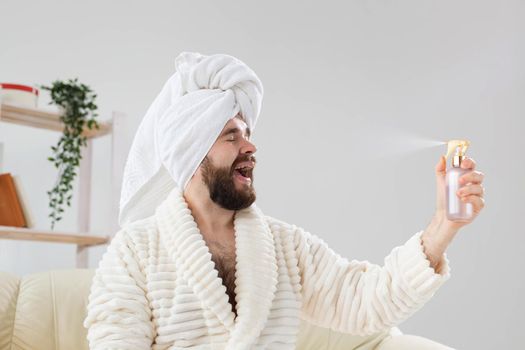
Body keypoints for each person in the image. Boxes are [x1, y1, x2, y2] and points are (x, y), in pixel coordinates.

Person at [83, 52, 485, 349]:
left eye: (248, 132)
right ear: (193, 153)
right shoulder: (136, 251)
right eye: (232, 135)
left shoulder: (284, 246)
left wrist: (442, 226)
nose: (251, 146)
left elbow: (366, 301)